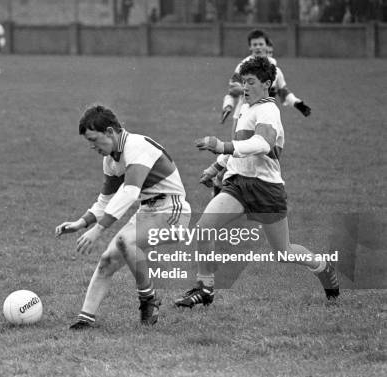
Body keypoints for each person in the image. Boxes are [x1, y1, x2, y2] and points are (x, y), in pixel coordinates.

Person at [174, 56, 339, 309]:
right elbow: (240, 146)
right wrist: (217, 166)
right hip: (238, 185)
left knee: (283, 252)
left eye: (251, 82)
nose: (245, 87)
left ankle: (323, 267)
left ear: (267, 84)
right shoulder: (246, 108)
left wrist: (222, 145)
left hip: (266, 190)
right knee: (204, 229)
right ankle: (205, 288)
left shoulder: (269, 110)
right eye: (243, 82)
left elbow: (263, 144)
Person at [55, 105, 192, 329]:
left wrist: (98, 230)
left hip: (172, 210)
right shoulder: (111, 160)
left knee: (125, 241)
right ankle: (85, 319)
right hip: (147, 212)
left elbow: (130, 192)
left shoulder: (136, 146)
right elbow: (105, 200)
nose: (92, 147)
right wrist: (80, 223)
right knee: (108, 259)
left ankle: (149, 299)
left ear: (110, 131)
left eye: (94, 140)